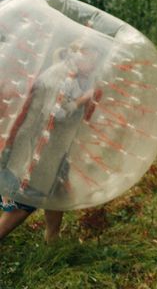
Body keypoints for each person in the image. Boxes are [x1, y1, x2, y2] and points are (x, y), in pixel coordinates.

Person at [0, 39, 101, 243]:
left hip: (53, 149)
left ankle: (52, 241)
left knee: (56, 193)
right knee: (25, 203)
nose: (93, 67)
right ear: (78, 56)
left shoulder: (71, 76)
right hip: (37, 150)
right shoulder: (59, 78)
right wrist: (83, 99)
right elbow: (56, 115)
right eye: (91, 61)